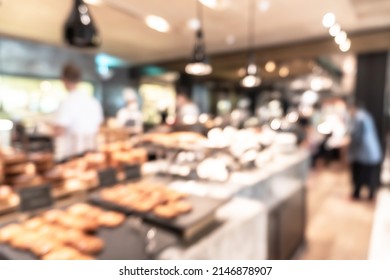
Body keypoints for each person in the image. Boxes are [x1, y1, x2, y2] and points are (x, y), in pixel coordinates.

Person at [53, 63, 103, 160]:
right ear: (79, 80)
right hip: (92, 154)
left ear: (63, 79)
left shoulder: (66, 102)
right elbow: (98, 127)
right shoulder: (93, 101)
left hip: (70, 157)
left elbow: (59, 130)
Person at [348, 102, 382, 200]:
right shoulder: (367, 116)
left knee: (359, 174)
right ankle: (371, 195)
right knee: (370, 174)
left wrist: (350, 150)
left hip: (363, 152)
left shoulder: (358, 118)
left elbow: (356, 136)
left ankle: (356, 194)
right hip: (372, 151)